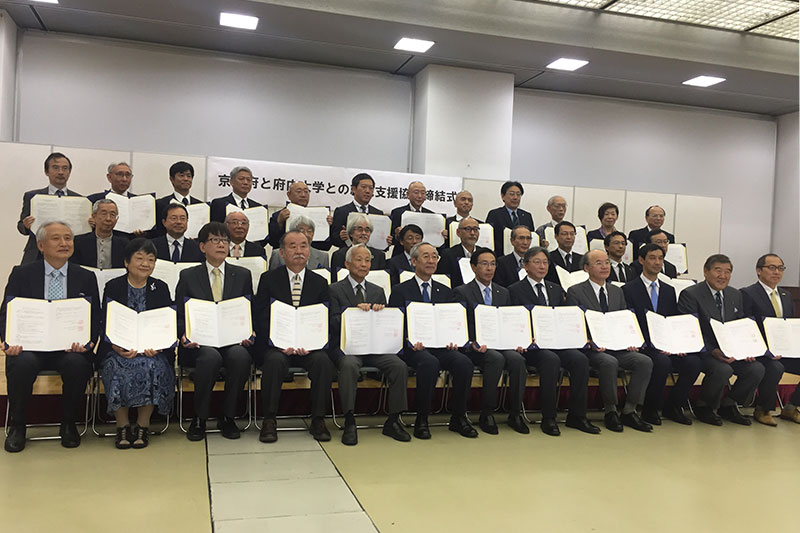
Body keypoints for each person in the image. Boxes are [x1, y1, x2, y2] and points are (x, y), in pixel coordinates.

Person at [2, 221, 100, 452]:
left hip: (68, 348)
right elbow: (7, 311)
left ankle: (69, 423)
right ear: (41, 245)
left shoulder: (85, 276)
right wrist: (7, 342)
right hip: (30, 346)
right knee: (21, 363)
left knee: (77, 364)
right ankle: (18, 426)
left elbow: (94, 316)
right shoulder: (22, 273)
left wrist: (89, 341)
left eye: (68, 238)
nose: (64, 243)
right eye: (57, 238)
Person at [388, 242, 478, 439]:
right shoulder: (400, 290)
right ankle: (422, 418)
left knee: (463, 362)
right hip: (412, 347)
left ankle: (458, 417)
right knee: (429, 362)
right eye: (426, 256)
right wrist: (409, 340)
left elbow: (452, 321)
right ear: (413, 262)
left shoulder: (445, 291)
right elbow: (394, 324)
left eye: (434, 257)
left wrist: (455, 339)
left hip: (440, 345)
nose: (431, 261)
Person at [175, 222, 255, 441]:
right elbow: (180, 313)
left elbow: (248, 310)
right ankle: (199, 418)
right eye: (215, 240)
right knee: (210, 357)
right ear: (202, 247)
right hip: (200, 342)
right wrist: (184, 334)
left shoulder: (242, 275)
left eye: (225, 241)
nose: (222, 245)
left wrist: (249, 331)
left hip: (231, 339)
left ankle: (227, 416)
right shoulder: (189, 275)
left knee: (240, 356)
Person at [509, 247, 600, 434]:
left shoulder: (556, 289)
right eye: (536, 262)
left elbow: (566, 317)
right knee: (551, 360)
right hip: (531, 347)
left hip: (557, 342)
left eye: (545, 262)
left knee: (580, 359)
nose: (542, 266)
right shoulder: (514, 290)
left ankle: (577, 416)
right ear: (525, 266)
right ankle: (548, 417)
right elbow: (513, 320)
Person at [254, 230, 334, 443]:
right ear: (282, 252)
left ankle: (318, 419)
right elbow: (261, 316)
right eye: (293, 246)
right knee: (273, 361)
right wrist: (280, 343)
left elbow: (323, 318)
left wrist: (311, 342)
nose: (299, 251)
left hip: (309, 346)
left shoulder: (319, 282)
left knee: (323, 361)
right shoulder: (268, 279)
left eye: (304, 246)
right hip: (278, 345)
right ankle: (269, 419)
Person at [328, 244, 410, 445]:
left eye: (367, 260)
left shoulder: (377, 290)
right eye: (359, 260)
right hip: (347, 346)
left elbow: (385, 322)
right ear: (347, 263)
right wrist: (354, 311)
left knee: (399, 366)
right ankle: (349, 419)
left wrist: (380, 312)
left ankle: (393, 419)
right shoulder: (334, 289)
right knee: (348, 365)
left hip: (375, 346)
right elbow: (332, 322)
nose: (363, 264)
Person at [98, 239, 175, 449]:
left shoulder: (159, 287)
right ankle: (122, 426)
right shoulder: (113, 286)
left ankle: (143, 425)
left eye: (151, 259)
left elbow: (166, 322)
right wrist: (115, 346)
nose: (145, 264)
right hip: (118, 348)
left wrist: (158, 345)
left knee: (154, 365)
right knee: (114, 366)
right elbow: (105, 320)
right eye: (139, 258)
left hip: (152, 349)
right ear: (126, 262)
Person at [566, 249, 654, 432]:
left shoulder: (617, 291)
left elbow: (623, 320)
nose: (605, 266)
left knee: (644, 361)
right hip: (591, 350)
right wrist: (588, 340)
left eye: (606, 262)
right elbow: (573, 324)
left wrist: (630, 340)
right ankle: (610, 411)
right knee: (608, 362)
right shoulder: (575, 291)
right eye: (598, 263)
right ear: (586, 268)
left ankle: (630, 410)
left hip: (617, 346)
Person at [677, 254, 765, 426]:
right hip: (704, 350)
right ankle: (704, 406)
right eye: (718, 271)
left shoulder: (735, 294)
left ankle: (729, 404)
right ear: (705, 271)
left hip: (731, 350)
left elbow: (740, 326)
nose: (723, 276)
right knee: (722, 369)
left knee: (756, 368)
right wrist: (713, 351)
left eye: (727, 272)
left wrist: (745, 350)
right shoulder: (690, 294)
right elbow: (690, 330)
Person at [622, 244, 702, 425]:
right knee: (661, 361)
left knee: (694, 361)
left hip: (667, 344)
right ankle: (649, 409)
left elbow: (671, 320)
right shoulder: (629, 289)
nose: (657, 262)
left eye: (660, 258)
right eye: (652, 258)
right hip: (644, 345)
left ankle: (674, 405)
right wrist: (655, 344)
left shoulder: (668, 289)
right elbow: (630, 322)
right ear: (641, 260)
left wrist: (677, 345)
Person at [453, 248, 529, 434]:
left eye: (493, 264)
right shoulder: (461, 292)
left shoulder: (503, 292)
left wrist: (518, 340)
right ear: (473, 267)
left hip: (501, 343)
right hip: (474, 347)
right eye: (484, 264)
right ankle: (486, 412)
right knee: (495, 358)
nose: (489, 268)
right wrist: (471, 342)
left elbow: (510, 320)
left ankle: (515, 413)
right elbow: (459, 323)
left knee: (518, 360)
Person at [741, 253, 798, 425]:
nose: (777, 272)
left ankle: (791, 406)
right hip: (761, 351)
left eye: (780, 268)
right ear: (759, 271)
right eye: (771, 268)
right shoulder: (747, 293)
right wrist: (765, 349)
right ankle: (763, 409)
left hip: (784, 350)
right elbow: (746, 325)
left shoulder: (786, 296)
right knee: (775, 367)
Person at [17, 152, 82, 265]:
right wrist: (26, 225)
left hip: (69, 254)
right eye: (55, 168)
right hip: (37, 253)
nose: (60, 172)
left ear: (69, 172)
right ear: (46, 171)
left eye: (65, 168)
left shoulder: (80, 200)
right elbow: (21, 226)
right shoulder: (32, 196)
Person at [267, 180, 333, 250]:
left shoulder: (320, 215)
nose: (303, 195)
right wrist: (279, 223)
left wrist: (330, 226)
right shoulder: (278, 216)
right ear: (289, 195)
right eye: (298, 192)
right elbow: (273, 242)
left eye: (306, 192)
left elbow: (326, 246)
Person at [329, 173, 384, 249]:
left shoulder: (378, 214)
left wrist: (386, 241)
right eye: (364, 187)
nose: (368, 191)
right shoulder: (342, 211)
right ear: (353, 189)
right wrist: (341, 237)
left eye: (371, 188)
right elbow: (333, 239)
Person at [152, 161, 206, 238]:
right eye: (181, 175)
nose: (186, 179)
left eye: (189, 176)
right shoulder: (160, 204)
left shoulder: (201, 205)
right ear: (172, 179)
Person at [72, 199, 129, 269]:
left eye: (112, 215)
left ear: (116, 219)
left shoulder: (124, 244)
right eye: (104, 214)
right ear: (94, 217)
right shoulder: (78, 242)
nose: (108, 218)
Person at [389, 181, 436, 257]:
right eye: (416, 192)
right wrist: (396, 234)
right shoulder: (397, 213)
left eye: (423, 193)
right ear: (408, 195)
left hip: (423, 256)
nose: (420, 196)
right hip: (401, 255)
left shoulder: (431, 215)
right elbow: (390, 239)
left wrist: (441, 235)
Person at [485, 181, 534, 253]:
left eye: (518, 194)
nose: (515, 197)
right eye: (512, 194)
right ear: (503, 196)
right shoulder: (495, 214)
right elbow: (489, 239)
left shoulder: (527, 216)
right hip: (500, 256)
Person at [437, 217, 480, 287]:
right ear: (458, 232)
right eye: (468, 229)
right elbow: (443, 280)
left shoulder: (484, 254)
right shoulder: (448, 255)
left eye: (475, 229)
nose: (472, 233)